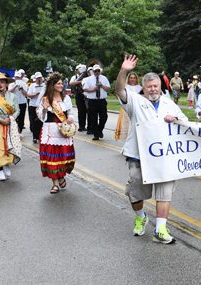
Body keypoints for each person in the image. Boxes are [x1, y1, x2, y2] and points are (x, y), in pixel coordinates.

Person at [115, 55, 188, 244]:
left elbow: (186, 124)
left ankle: (160, 229)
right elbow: (119, 89)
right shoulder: (135, 101)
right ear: (144, 88)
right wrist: (124, 70)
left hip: (165, 158)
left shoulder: (169, 104)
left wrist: (176, 119)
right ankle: (141, 217)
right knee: (136, 192)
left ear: (160, 87)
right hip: (139, 157)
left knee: (165, 192)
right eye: (149, 87)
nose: (153, 89)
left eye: (156, 86)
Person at [36, 73, 76, 194]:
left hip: (63, 131)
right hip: (50, 130)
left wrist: (70, 119)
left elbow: (71, 113)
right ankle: (54, 184)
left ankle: (61, 176)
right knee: (52, 158)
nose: (61, 85)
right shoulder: (45, 100)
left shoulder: (66, 99)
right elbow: (41, 118)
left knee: (62, 157)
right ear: (52, 85)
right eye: (58, 83)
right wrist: (44, 109)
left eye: (61, 83)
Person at [0, 73, 21, 181]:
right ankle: (0, 170)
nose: (0, 85)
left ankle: (6, 164)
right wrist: (0, 120)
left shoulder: (13, 96)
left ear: (6, 83)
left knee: (8, 146)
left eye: (2, 82)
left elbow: (17, 110)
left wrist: (12, 118)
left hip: (10, 124)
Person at [83, 64, 111, 141]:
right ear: (93, 71)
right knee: (93, 118)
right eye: (96, 71)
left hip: (101, 100)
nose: (97, 72)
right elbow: (85, 89)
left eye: (98, 71)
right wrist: (93, 89)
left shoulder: (104, 78)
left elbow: (108, 89)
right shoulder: (89, 79)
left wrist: (102, 86)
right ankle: (96, 134)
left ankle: (99, 130)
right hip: (92, 101)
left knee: (104, 117)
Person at [114, 72, 142, 142]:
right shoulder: (126, 87)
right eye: (131, 78)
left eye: (134, 78)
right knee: (128, 125)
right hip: (128, 107)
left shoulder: (140, 87)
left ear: (136, 79)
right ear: (129, 79)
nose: (132, 79)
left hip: (137, 107)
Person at [27, 72, 45, 143]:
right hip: (33, 105)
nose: (39, 79)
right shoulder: (32, 85)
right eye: (38, 78)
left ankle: (41, 136)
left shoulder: (44, 85)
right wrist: (36, 94)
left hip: (41, 105)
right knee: (35, 121)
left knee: (41, 121)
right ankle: (35, 136)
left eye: (40, 78)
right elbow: (28, 95)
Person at [9, 71, 28, 137]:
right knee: (13, 117)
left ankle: (20, 131)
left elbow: (26, 94)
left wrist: (21, 88)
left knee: (21, 118)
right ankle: (14, 130)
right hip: (13, 103)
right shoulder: (11, 83)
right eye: (16, 77)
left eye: (18, 77)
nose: (17, 78)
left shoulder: (23, 84)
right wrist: (15, 86)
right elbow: (9, 91)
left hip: (22, 102)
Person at [69, 65, 88, 132]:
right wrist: (80, 81)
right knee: (81, 111)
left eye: (77, 69)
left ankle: (89, 126)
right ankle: (81, 126)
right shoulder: (75, 77)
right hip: (79, 95)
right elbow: (71, 83)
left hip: (86, 94)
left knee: (87, 111)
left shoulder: (87, 76)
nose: (77, 71)